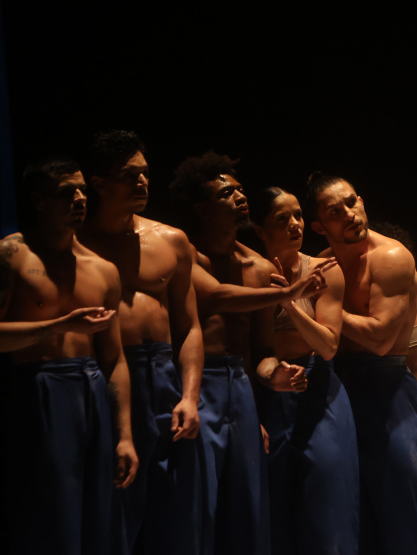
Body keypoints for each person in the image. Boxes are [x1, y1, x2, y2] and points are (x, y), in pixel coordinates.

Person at [0, 156, 138, 554]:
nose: (80, 198)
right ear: (39, 201)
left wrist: (125, 435)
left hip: (93, 389)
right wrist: (58, 325)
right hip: (41, 388)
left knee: (100, 515)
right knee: (49, 515)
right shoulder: (8, 255)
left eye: (82, 190)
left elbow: (114, 358)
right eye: (67, 193)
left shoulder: (103, 269)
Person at [169, 152, 330, 555]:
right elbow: (217, 295)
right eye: (227, 192)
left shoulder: (257, 267)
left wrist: (273, 374)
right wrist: (290, 292)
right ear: (203, 208)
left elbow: (260, 352)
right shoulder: (184, 253)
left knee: (246, 505)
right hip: (192, 380)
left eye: (240, 189)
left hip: (238, 390)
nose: (240, 196)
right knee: (194, 503)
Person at [78, 130, 204, 554]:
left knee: (175, 506)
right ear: (99, 184)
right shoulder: (79, 246)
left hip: (165, 374)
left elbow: (189, 326)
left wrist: (190, 395)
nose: (142, 183)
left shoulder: (171, 241)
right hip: (109, 374)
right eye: (130, 176)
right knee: (115, 499)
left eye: (145, 174)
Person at [306, 172, 417, 555]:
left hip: (385, 386)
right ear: (318, 225)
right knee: (349, 508)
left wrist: (308, 308)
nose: (350, 213)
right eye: (335, 211)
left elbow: (380, 339)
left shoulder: (391, 256)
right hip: (334, 386)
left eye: (352, 202)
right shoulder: (322, 265)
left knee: (400, 506)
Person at [249, 187, 359, 554]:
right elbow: (254, 351)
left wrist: (292, 302)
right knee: (274, 501)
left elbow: (328, 347)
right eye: (283, 219)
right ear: (261, 230)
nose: (296, 224)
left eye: (298, 215)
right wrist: (270, 375)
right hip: (268, 390)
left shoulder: (324, 271)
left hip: (319, 388)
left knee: (327, 499)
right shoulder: (251, 273)